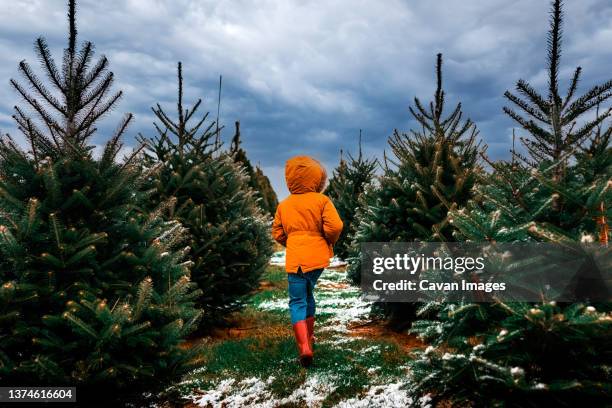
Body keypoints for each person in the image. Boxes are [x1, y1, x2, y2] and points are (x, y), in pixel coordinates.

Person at [272, 156, 343, 367]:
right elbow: (335, 226)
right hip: (316, 260)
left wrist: (291, 240)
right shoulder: (322, 201)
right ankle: (309, 338)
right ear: (317, 178)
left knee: (297, 301)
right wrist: (326, 240)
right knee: (309, 293)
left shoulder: (284, 205)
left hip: (295, 259)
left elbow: (277, 232)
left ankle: (304, 346)